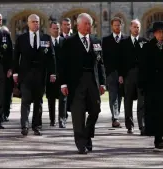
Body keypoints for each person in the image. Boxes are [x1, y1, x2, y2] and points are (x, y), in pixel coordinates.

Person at [60, 13, 106, 154]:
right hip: (76, 83)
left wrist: (103, 83)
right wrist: (63, 84)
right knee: (78, 114)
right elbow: (63, 64)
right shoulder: (69, 42)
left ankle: (87, 135)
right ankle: (81, 143)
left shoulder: (96, 41)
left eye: (90, 24)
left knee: (95, 110)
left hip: (92, 81)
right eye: (85, 24)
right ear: (78, 25)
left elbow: (100, 63)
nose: (88, 27)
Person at [13, 14, 56, 136]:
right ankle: (24, 126)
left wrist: (53, 72)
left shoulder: (46, 38)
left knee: (38, 101)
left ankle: (37, 126)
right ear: (28, 23)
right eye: (33, 22)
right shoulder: (21, 38)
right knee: (25, 100)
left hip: (40, 75)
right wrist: (15, 72)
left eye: (37, 22)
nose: (36, 24)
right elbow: (16, 56)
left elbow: (51, 57)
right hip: (25, 75)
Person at [138, 21, 163, 150]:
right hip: (151, 85)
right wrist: (142, 85)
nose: (161, 34)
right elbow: (142, 67)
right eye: (159, 32)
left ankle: (159, 137)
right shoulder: (147, 47)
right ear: (154, 34)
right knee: (152, 111)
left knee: (162, 111)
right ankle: (155, 135)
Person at [118, 19, 148, 135]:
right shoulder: (124, 42)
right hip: (128, 76)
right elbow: (120, 60)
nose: (136, 29)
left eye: (138, 27)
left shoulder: (144, 41)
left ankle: (142, 125)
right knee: (128, 100)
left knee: (142, 101)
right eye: (134, 27)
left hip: (141, 76)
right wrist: (120, 75)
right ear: (130, 28)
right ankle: (129, 125)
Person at [102, 17, 125, 128]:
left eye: (118, 25)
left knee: (120, 95)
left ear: (121, 26)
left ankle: (116, 115)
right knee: (113, 95)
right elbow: (103, 58)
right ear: (112, 26)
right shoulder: (106, 40)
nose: (117, 27)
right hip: (111, 73)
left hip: (123, 73)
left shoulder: (125, 40)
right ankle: (115, 118)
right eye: (115, 25)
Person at [46, 21, 67, 128]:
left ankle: (62, 120)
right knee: (51, 99)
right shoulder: (46, 42)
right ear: (50, 29)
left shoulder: (65, 41)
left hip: (62, 75)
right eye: (54, 28)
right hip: (50, 76)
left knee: (63, 99)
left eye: (58, 28)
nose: (56, 30)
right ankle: (52, 119)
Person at [0, 25, 13, 122]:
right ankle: (0, 114)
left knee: (7, 94)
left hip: (8, 73)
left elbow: (13, 58)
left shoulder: (11, 44)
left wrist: (11, 69)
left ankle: (6, 113)